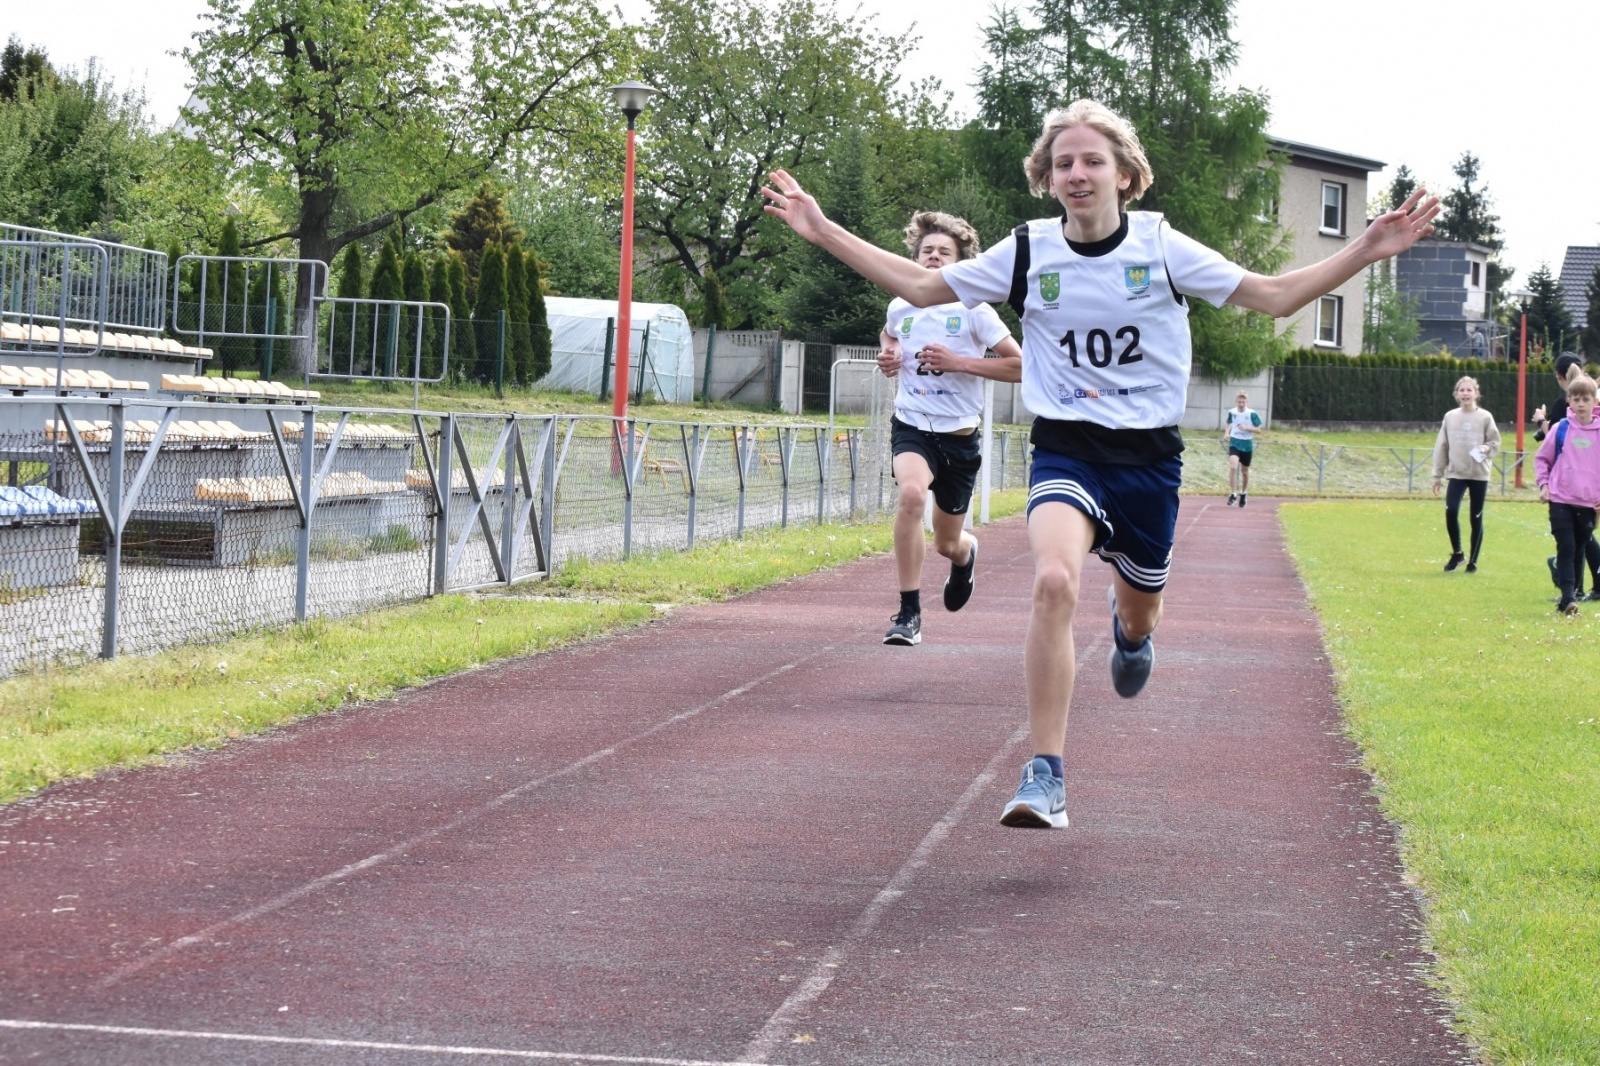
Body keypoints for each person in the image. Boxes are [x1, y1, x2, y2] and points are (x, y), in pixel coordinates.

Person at [761, 99, 1439, 830]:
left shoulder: (1162, 247)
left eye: (1092, 161)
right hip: (1066, 446)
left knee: (1140, 610)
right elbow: (923, 287)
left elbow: (1270, 298)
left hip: (1148, 459)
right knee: (1053, 581)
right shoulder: (1026, 250)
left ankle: (1133, 633)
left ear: (1125, 174)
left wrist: (1364, 249)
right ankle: (1045, 773)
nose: (1077, 174)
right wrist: (821, 228)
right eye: (1063, 164)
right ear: (1047, 179)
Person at [877, 211, 1023, 646]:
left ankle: (965, 554)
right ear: (915, 259)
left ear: (961, 262)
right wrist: (890, 353)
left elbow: (1021, 366)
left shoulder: (975, 310)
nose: (934, 258)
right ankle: (909, 613)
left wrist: (958, 362)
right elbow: (888, 335)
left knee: (946, 542)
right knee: (910, 495)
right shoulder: (900, 305)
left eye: (945, 252)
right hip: (912, 425)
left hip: (959, 437)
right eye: (927, 252)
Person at [1532, 354, 1600, 597]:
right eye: (1576, 399)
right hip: (1561, 496)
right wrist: (1544, 484)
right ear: (1570, 401)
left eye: (1586, 399)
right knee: (1568, 547)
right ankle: (1569, 597)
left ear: (1594, 401)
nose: (1581, 403)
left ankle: (1578, 588)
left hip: (1588, 501)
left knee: (1580, 544)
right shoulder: (1563, 427)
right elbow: (1544, 455)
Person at [1430, 376, 1499, 573]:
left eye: (1469, 390)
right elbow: (1442, 446)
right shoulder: (1450, 417)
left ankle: (1473, 561)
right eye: (1462, 390)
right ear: (1456, 394)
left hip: (1479, 474)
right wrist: (1437, 475)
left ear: (1476, 393)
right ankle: (1458, 553)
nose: (1466, 393)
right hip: (1457, 473)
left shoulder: (1485, 417)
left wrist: (1484, 448)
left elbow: (1495, 443)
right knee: (1451, 510)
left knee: (1475, 517)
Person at [1223, 391, 1263, 506]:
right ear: (1236, 402)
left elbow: (1259, 429)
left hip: (1247, 444)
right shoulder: (1232, 412)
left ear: (1247, 402)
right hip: (1234, 442)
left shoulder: (1251, 414)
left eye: (1243, 402)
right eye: (1239, 402)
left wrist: (1247, 428)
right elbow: (1229, 423)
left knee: (1244, 471)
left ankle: (1244, 493)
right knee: (1233, 467)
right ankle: (1233, 494)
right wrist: (1226, 433)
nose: (1241, 404)